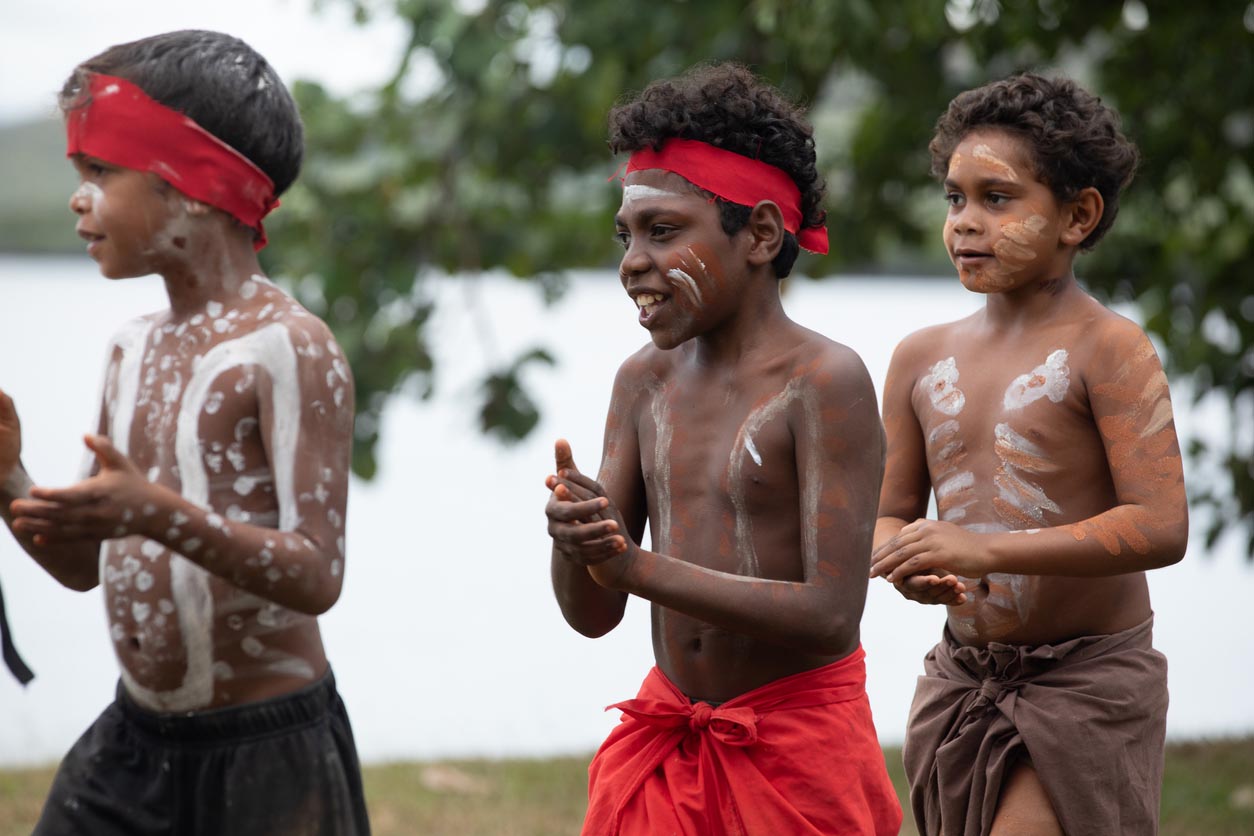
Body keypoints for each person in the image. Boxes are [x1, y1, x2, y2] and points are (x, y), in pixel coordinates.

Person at [0, 30, 370, 835]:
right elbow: (84, 565)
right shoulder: (132, 348)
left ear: (195, 186)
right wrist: (10, 478)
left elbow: (317, 575)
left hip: (270, 752)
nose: (79, 197)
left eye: (101, 171)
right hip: (135, 739)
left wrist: (151, 512)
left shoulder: (289, 348)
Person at [544, 63, 902, 836]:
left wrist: (634, 566)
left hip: (795, 752)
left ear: (762, 235)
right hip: (668, 734)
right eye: (626, 234)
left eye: (663, 230)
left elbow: (832, 615)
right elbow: (593, 615)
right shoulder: (642, 383)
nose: (632, 260)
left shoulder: (824, 381)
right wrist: (576, 543)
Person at [870, 72, 1188, 836]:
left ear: (1077, 216)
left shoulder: (1108, 347)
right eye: (954, 198)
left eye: (998, 198)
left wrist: (983, 546)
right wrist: (908, 564)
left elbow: (1161, 526)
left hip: (1086, 682)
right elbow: (887, 515)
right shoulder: (919, 358)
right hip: (962, 678)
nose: (965, 223)